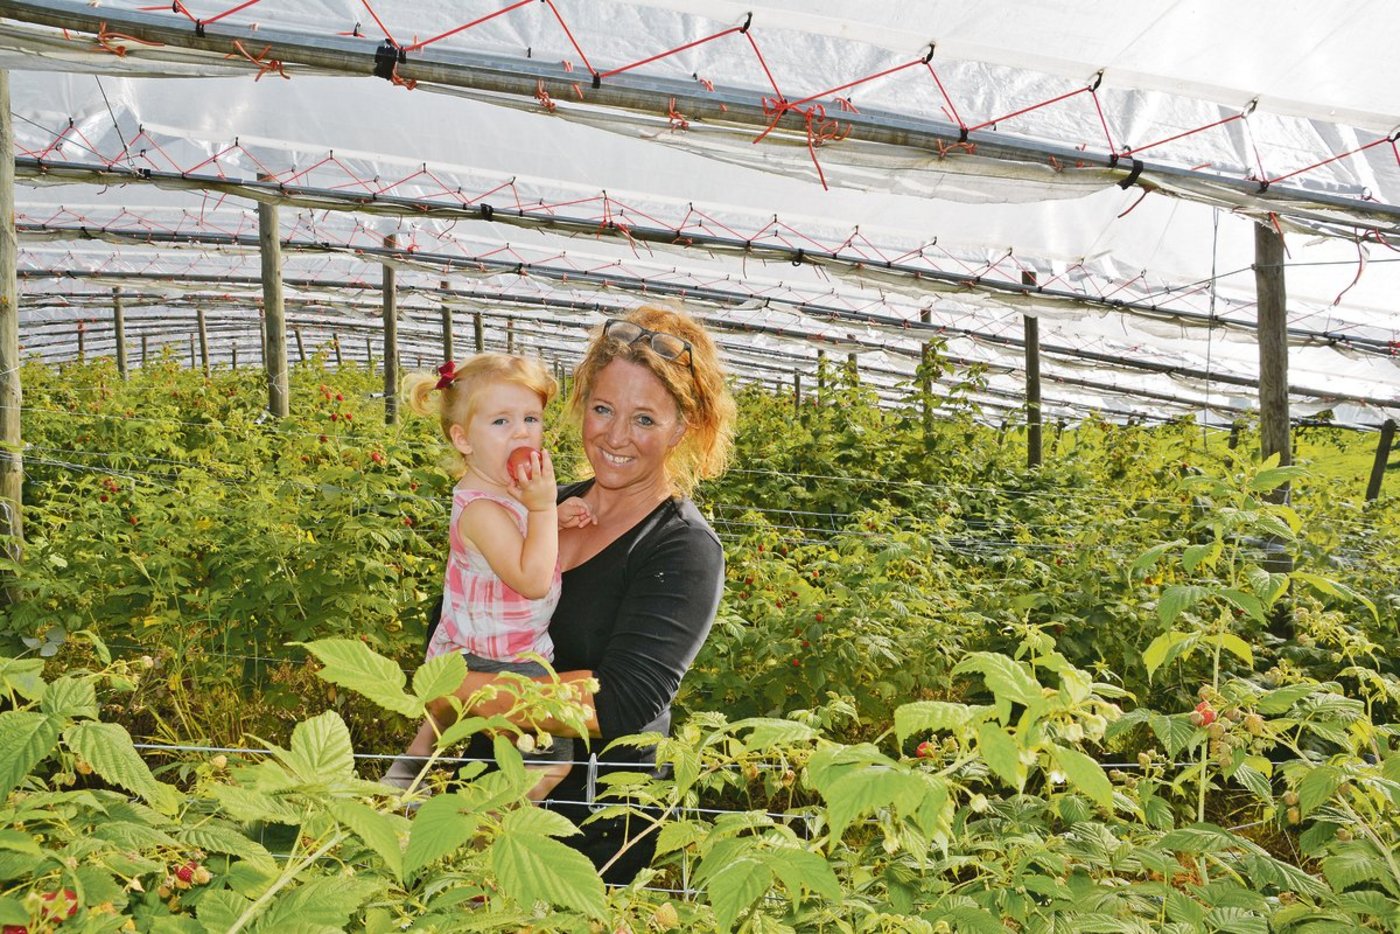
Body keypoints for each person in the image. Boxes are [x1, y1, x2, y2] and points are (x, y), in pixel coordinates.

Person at [430, 304, 736, 884]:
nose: (616, 436)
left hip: (590, 831)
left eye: (644, 419)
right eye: (602, 409)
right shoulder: (536, 507)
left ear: (682, 428)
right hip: (480, 799)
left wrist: (459, 691)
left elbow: (620, 700)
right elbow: (454, 619)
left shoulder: (682, 549)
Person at [383, 352, 594, 802]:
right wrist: (543, 509)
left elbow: (513, 542)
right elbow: (532, 579)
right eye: (501, 421)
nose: (521, 432)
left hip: (475, 643)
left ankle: (407, 772)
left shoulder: (501, 491)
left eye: (531, 418)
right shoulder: (481, 509)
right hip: (498, 659)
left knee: (444, 720)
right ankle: (488, 829)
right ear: (463, 439)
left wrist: (549, 517)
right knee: (552, 762)